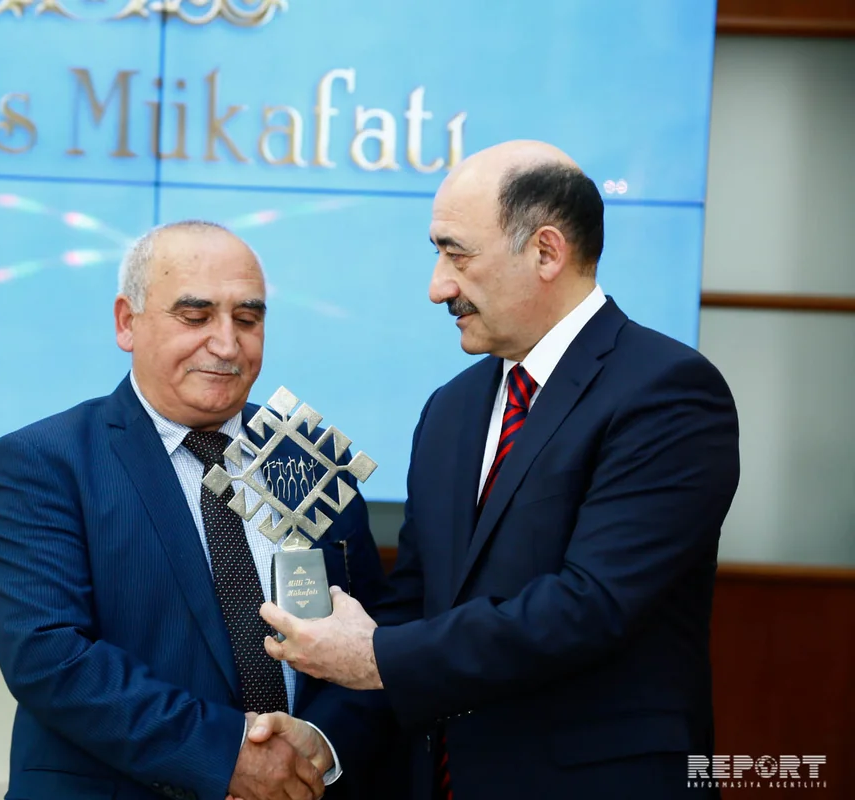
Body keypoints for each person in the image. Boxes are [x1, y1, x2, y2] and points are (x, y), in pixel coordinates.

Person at [256, 140, 741, 799]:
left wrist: (376, 657)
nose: (438, 287)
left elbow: (590, 605)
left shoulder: (667, 391)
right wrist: (329, 731)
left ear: (546, 252)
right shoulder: (451, 407)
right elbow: (418, 600)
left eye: (456, 254)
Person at [0, 220, 389, 800]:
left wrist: (321, 742)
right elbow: (49, 656)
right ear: (127, 322)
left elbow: (374, 634)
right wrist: (228, 756)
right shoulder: (46, 460)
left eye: (247, 319)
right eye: (195, 317)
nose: (226, 344)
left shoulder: (304, 458)